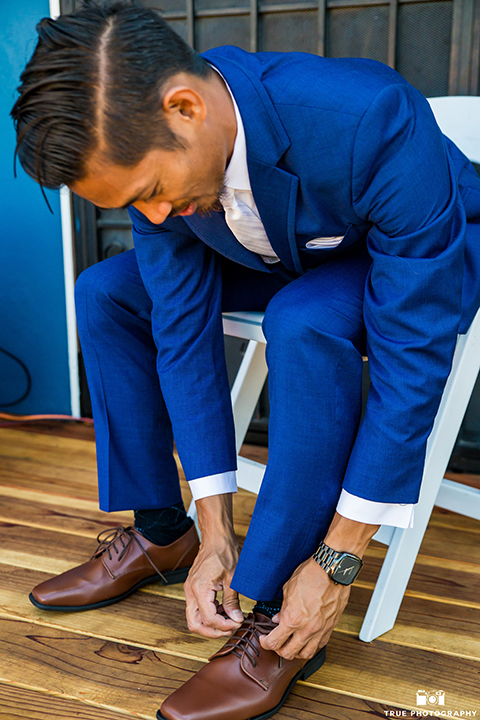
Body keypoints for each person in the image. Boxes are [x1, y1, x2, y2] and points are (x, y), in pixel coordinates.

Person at [11, 2, 480, 719]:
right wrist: (214, 529)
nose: (155, 217)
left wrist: (340, 559)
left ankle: (284, 616)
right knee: (106, 291)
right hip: (286, 247)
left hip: (427, 252)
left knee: (304, 320)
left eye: (150, 195)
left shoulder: (372, 116)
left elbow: (411, 359)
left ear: (185, 107)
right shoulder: (161, 165)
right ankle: (167, 537)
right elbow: (181, 329)